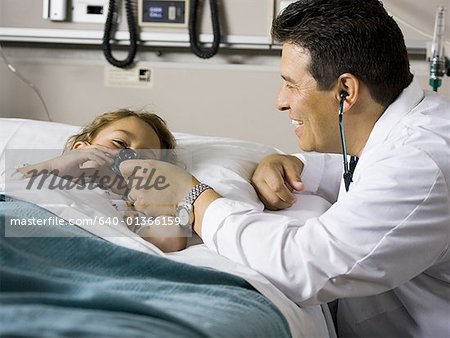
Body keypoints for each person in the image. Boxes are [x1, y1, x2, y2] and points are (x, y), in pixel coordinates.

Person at [118, 0, 450, 336]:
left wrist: (194, 197)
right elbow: (347, 172)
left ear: (345, 92)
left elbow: (305, 266)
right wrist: (284, 164)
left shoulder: (420, 162)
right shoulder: (396, 126)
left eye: (291, 84)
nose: (281, 101)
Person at [18, 108, 188, 253]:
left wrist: (164, 203)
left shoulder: (132, 210)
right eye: (119, 143)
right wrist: (54, 165)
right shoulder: (47, 175)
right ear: (80, 148)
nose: (130, 156)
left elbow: (169, 238)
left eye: (144, 157)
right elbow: (10, 185)